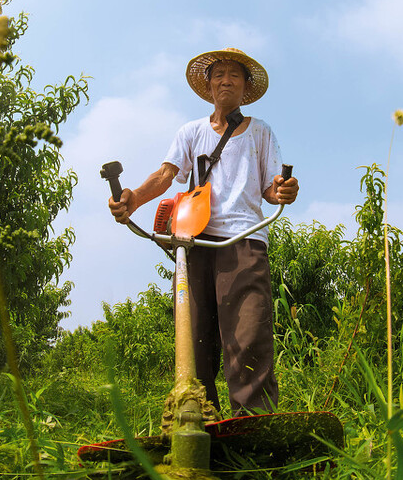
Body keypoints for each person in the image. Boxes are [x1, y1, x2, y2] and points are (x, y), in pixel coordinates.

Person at [108, 48, 298, 415]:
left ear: (245, 87)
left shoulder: (260, 131)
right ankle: (198, 421)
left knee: (247, 336)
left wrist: (284, 190)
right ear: (209, 85)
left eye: (234, 75)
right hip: (193, 242)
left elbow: (271, 188)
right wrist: (131, 199)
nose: (226, 80)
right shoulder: (191, 132)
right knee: (194, 341)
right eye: (219, 74)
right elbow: (165, 176)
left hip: (244, 239)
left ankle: (252, 424)